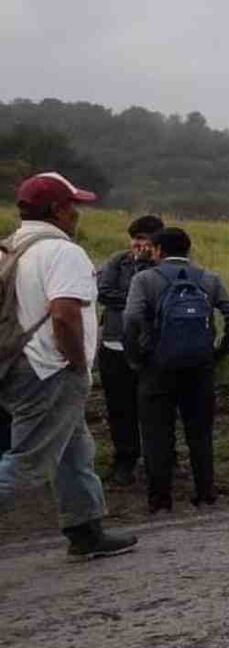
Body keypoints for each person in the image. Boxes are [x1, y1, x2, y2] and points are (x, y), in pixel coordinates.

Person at [0, 172, 136, 560]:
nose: (77, 213)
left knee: (74, 447)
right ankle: (85, 530)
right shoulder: (62, 252)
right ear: (57, 210)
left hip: (16, 363)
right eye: (73, 206)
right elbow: (64, 314)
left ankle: (85, 530)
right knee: (27, 463)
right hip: (51, 368)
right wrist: (76, 362)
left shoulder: (10, 247)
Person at [123, 227, 229, 513]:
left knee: (156, 435)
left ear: (157, 250)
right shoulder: (209, 279)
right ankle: (206, 493)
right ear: (188, 250)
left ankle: (160, 501)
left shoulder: (145, 279)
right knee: (200, 433)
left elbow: (131, 318)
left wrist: (136, 357)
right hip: (199, 366)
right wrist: (219, 351)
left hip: (157, 366)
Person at [96, 214, 164, 486]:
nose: (139, 245)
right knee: (119, 406)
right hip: (115, 343)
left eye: (145, 240)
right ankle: (125, 458)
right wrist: (138, 300)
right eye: (136, 239)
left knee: (155, 406)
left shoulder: (163, 265)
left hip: (151, 347)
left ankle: (160, 459)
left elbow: (163, 299)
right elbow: (104, 292)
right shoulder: (118, 261)